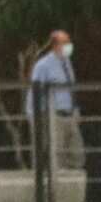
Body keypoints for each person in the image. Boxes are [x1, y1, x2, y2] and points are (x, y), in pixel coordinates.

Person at [27, 30, 84, 171]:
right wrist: (35, 118)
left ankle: (72, 189)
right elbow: (34, 92)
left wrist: (76, 110)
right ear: (55, 45)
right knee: (57, 158)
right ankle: (58, 191)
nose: (69, 45)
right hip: (53, 116)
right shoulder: (43, 65)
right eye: (65, 42)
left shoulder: (67, 62)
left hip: (70, 116)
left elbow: (71, 88)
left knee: (77, 155)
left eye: (69, 41)